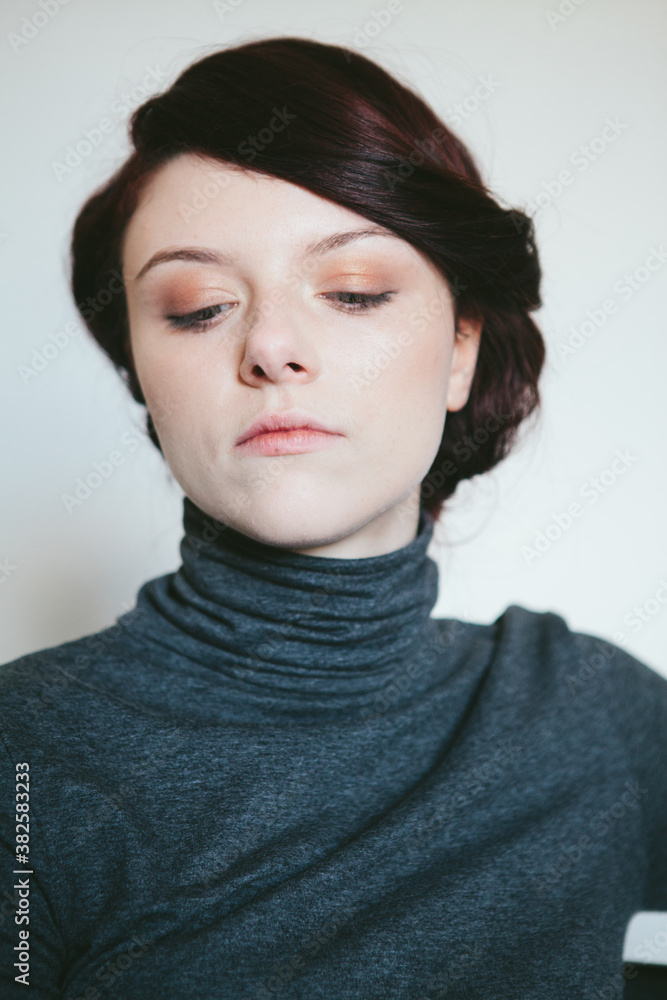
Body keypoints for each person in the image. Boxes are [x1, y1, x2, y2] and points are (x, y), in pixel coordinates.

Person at [1, 35, 665, 1000]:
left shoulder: (589, 711)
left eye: (353, 293)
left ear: (459, 351)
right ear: (141, 373)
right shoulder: (26, 758)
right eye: (196, 307)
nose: (271, 346)